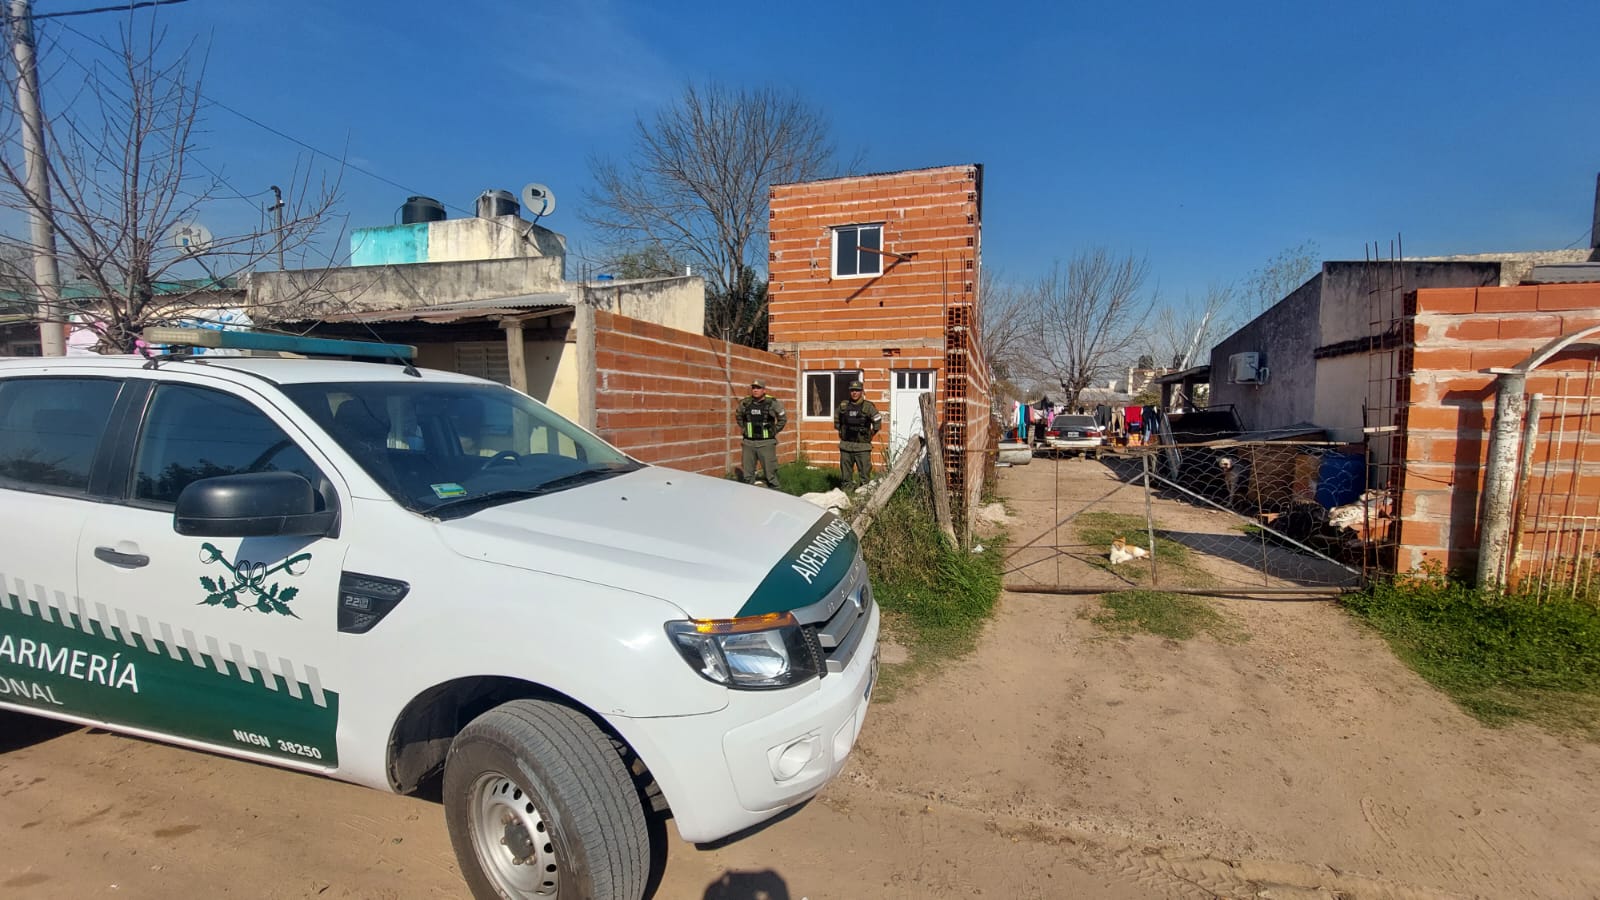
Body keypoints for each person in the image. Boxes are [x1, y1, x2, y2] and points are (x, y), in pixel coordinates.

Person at [735, 379, 786, 488]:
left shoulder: (772, 403)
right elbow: (738, 416)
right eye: (753, 388)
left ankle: (775, 492)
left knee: (770, 473)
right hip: (748, 443)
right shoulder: (745, 403)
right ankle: (748, 493)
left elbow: (782, 419)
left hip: (766, 443)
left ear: (764, 390)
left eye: (758, 388)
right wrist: (744, 429)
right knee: (747, 474)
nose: (755, 390)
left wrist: (774, 430)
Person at [833, 380, 881, 489]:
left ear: (862, 392)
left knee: (864, 476)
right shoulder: (843, 406)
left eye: (857, 390)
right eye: (852, 390)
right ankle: (848, 492)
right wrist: (842, 431)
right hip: (846, 445)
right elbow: (837, 420)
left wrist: (871, 433)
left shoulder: (868, 406)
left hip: (862, 447)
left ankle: (864, 494)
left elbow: (877, 420)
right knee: (845, 476)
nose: (854, 393)